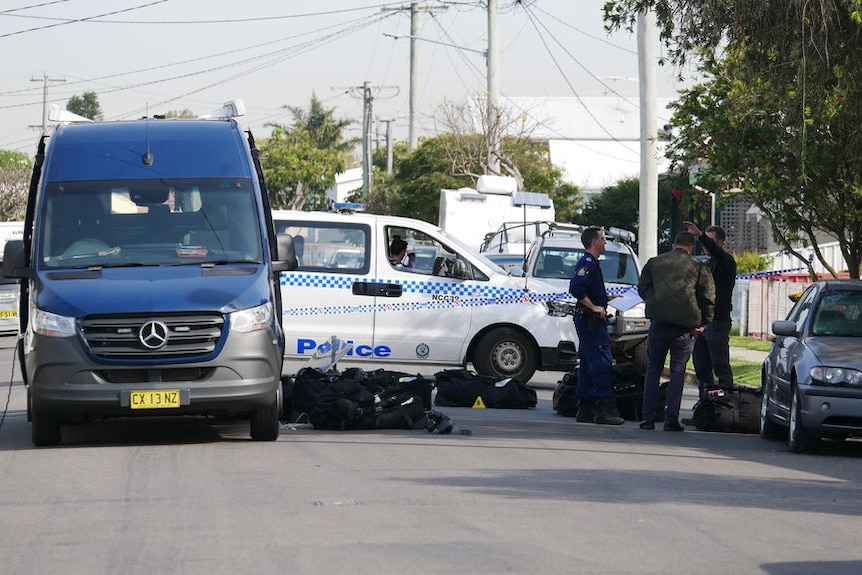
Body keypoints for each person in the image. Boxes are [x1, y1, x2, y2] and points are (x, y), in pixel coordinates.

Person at [638, 231, 715, 431]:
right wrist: (704, 322)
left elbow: (642, 288)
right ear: (691, 248)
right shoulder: (698, 267)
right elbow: (708, 296)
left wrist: (655, 303)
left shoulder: (654, 263)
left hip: (659, 324)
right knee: (677, 371)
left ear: (674, 245)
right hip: (685, 327)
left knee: (653, 369)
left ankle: (648, 417)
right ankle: (671, 419)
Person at [568, 227, 624, 425]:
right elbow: (576, 287)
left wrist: (607, 298)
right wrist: (594, 307)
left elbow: (590, 290)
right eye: (602, 239)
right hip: (590, 322)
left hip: (588, 320)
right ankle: (602, 411)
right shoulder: (588, 263)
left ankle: (585, 409)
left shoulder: (593, 264)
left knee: (587, 363)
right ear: (594, 242)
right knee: (602, 363)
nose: (605, 242)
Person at [682, 221, 737, 401]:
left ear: (719, 243)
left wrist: (700, 236)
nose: (705, 246)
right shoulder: (708, 264)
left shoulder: (725, 261)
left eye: (710, 242)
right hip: (704, 323)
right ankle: (705, 407)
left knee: (719, 364)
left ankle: (726, 406)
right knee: (701, 366)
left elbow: (719, 255)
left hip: (718, 322)